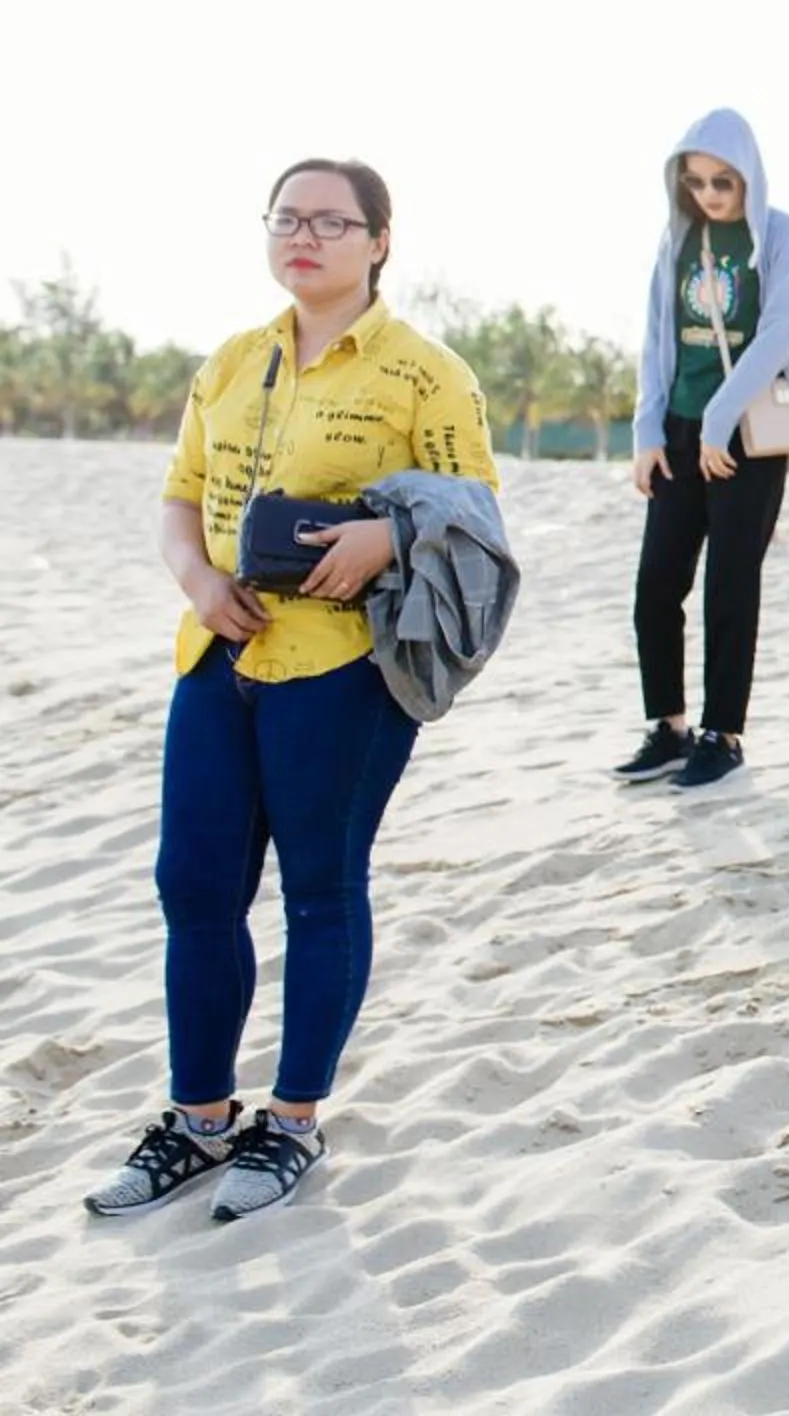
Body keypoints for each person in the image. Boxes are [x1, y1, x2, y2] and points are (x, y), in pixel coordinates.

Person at [85, 159, 500, 1223]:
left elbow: (479, 520)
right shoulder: (230, 361)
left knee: (321, 886)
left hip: (346, 668)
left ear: (379, 241)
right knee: (194, 884)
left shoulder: (426, 374)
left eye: (330, 219)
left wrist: (384, 533)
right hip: (217, 658)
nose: (303, 234)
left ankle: (295, 1118)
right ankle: (200, 1117)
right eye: (287, 217)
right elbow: (180, 498)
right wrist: (198, 577)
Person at [618, 110, 789, 791]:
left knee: (731, 585)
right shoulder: (678, 240)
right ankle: (667, 729)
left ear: (747, 175)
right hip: (680, 430)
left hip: (748, 435)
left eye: (723, 181)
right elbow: (654, 340)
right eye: (695, 182)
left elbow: (783, 333)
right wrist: (647, 436)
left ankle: (721, 735)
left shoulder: (786, 236)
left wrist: (719, 421)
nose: (710, 194)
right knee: (656, 586)